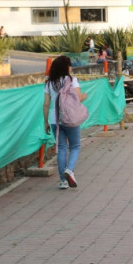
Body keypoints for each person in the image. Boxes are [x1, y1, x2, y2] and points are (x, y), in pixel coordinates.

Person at [43, 55, 87, 189]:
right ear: (66, 67)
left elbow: (46, 104)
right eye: (70, 65)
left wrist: (45, 122)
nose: (71, 67)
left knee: (61, 148)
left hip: (54, 119)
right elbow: (79, 98)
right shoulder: (72, 80)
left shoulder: (49, 82)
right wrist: (85, 95)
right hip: (70, 118)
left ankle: (63, 181)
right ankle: (69, 170)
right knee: (75, 146)